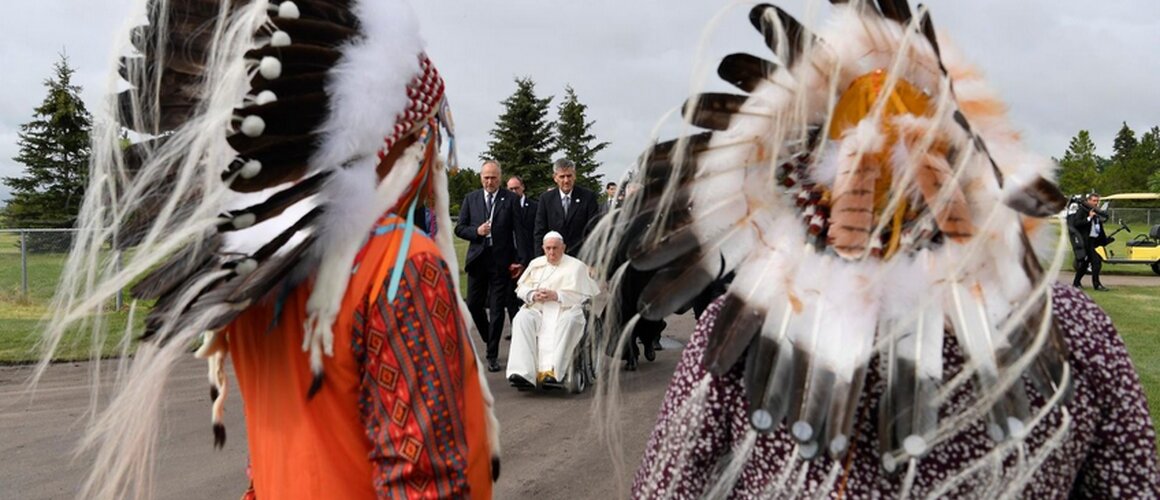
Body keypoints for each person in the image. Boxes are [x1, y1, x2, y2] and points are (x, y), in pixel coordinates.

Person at [33, 1, 499, 498]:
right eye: (430, 144)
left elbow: (271, 464)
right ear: (405, 141)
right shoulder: (401, 265)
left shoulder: (257, 271)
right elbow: (425, 480)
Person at [506, 232, 600, 389]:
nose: (551, 252)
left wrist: (557, 295)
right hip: (539, 309)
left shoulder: (576, 266)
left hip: (565, 309)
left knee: (569, 321)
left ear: (563, 247)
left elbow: (584, 296)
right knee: (521, 318)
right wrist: (532, 294)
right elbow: (521, 288)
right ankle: (522, 373)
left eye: (555, 248)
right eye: (548, 248)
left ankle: (555, 372)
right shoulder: (536, 264)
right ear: (543, 248)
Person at [456, 160, 524, 372]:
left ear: (500, 178)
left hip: (500, 263)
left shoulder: (510, 199)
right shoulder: (471, 199)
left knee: (496, 309)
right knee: (474, 305)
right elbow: (459, 228)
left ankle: (492, 354)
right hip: (477, 262)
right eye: (486, 177)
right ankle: (488, 337)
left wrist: (520, 260)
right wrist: (476, 232)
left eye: (493, 177)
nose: (490, 181)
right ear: (480, 177)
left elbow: (520, 233)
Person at [534, 158, 600, 258]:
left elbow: (594, 230)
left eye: (569, 176)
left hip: (581, 257)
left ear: (574, 176)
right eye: (562, 176)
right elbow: (540, 231)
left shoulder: (588, 197)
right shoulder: (546, 199)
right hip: (554, 257)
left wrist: (593, 260)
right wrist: (540, 258)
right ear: (555, 177)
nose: (566, 180)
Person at [1069, 192, 1111, 291]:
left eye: (1097, 201)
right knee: (1096, 262)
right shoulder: (1082, 211)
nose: (1096, 203)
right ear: (1088, 201)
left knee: (1085, 264)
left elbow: (1098, 227)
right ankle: (1097, 285)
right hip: (1084, 241)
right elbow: (1076, 223)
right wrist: (1089, 218)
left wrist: (1104, 240)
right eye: (1094, 201)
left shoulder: (1096, 212)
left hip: (1092, 241)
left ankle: (1076, 283)